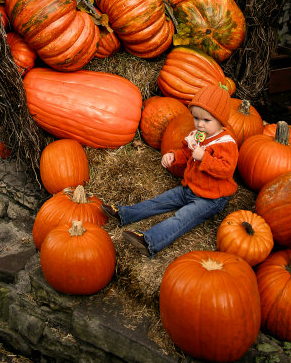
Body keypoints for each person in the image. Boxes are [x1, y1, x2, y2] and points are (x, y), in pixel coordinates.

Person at [101, 84, 239, 257]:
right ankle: (124, 214)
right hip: (190, 188)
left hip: (211, 198)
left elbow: (226, 169)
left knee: (182, 217)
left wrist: (205, 157)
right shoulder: (197, 135)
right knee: (161, 200)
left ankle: (149, 241)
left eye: (206, 121)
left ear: (221, 121)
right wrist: (174, 156)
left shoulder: (226, 143)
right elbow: (187, 153)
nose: (200, 124)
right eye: (196, 118)